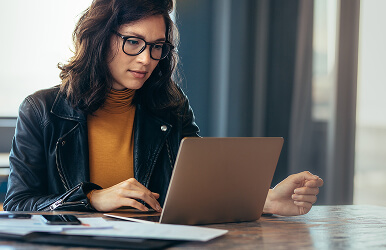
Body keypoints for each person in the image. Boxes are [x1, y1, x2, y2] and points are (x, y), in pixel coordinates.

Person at [3, 0, 323, 216]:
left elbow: (199, 188)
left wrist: (265, 199)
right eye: (133, 42)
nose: (146, 59)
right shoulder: (42, 111)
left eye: (157, 47)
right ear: (100, 38)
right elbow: (17, 206)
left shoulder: (170, 105)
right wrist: (91, 199)